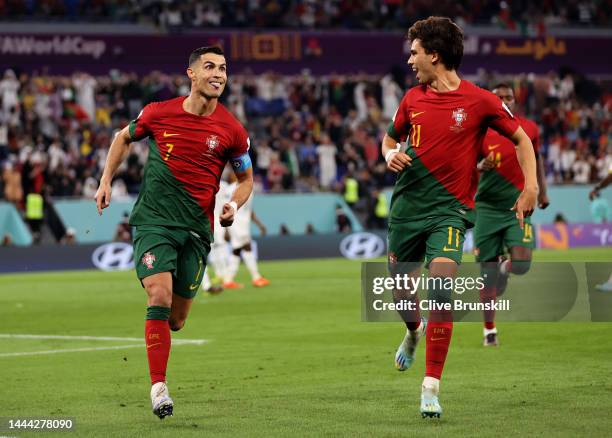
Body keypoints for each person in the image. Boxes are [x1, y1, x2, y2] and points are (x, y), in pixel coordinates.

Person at [381, 17, 537, 418]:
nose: (410, 59)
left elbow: (521, 139)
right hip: (406, 212)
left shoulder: (481, 100)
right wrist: (388, 154)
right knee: (401, 291)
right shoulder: (411, 100)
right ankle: (413, 333)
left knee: (441, 287)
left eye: (414, 52)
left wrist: (531, 187)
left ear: (434, 54)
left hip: (450, 212)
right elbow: (389, 137)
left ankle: (431, 385)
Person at [94, 46, 254, 420]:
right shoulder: (158, 112)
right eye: (210, 67)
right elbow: (122, 137)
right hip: (154, 222)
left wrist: (234, 204)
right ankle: (158, 386)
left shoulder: (232, 129)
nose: (218, 74)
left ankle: (159, 336)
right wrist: (105, 180)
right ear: (192, 74)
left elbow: (246, 179)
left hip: (197, 231)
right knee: (159, 294)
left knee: (177, 319)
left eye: (224, 68)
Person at [474, 83, 549, 347]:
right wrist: (479, 166)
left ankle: (504, 268)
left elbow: (537, 159)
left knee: (521, 263)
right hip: (485, 209)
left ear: (515, 101)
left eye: (509, 97)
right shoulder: (480, 132)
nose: (506, 101)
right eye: (500, 97)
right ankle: (489, 331)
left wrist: (541, 190)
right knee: (488, 276)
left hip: (517, 206)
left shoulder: (528, 129)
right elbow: (463, 165)